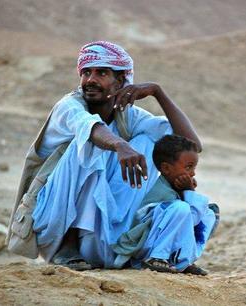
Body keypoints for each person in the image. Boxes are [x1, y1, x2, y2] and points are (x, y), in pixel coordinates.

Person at [14, 40, 208, 270]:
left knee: (146, 142)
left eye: (101, 73)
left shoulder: (128, 117)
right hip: (54, 223)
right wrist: (119, 145)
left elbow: (191, 145)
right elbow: (92, 128)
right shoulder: (69, 106)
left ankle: (131, 243)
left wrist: (158, 92)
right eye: (86, 72)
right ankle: (70, 242)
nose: (91, 80)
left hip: (104, 232)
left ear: (120, 81)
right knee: (87, 142)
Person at [112, 135, 219, 275]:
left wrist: (186, 192)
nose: (193, 173)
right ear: (166, 168)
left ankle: (183, 261)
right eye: (188, 167)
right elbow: (191, 220)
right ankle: (157, 258)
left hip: (166, 245)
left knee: (209, 214)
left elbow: (188, 224)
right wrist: (189, 192)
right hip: (146, 246)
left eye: (194, 167)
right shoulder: (162, 191)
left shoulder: (175, 187)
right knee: (181, 208)